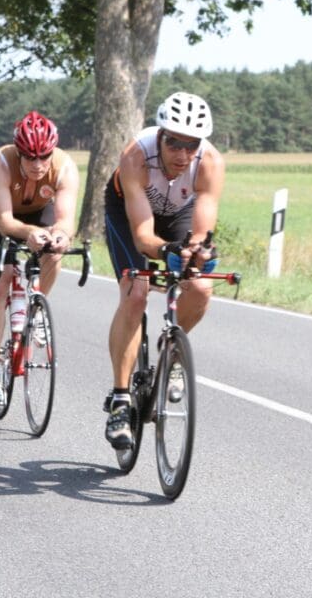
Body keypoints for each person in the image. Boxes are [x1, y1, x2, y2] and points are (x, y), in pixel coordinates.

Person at [103, 92, 225, 449]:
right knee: (135, 292)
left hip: (178, 213)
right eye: (174, 143)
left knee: (200, 287)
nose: (182, 155)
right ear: (160, 135)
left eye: (191, 145)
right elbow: (143, 236)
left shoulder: (210, 163)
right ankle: (121, 398)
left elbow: (201, 231)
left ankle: (172, 355)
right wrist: (167, 250)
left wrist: (196, 252)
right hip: (128, 214)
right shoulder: (136, 156)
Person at [0, 110, 80, 405]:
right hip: (2, 215)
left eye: (43, 156)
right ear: (19, 153)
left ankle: (36, 310)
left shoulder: (64, 168)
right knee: (0, 283)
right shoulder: (0, 163)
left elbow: (65, 220)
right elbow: (6, 223)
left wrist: (59, 235)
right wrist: (30, 233)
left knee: (55, 252)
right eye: (30, 157)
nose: (37, 164)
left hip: (40, 210)